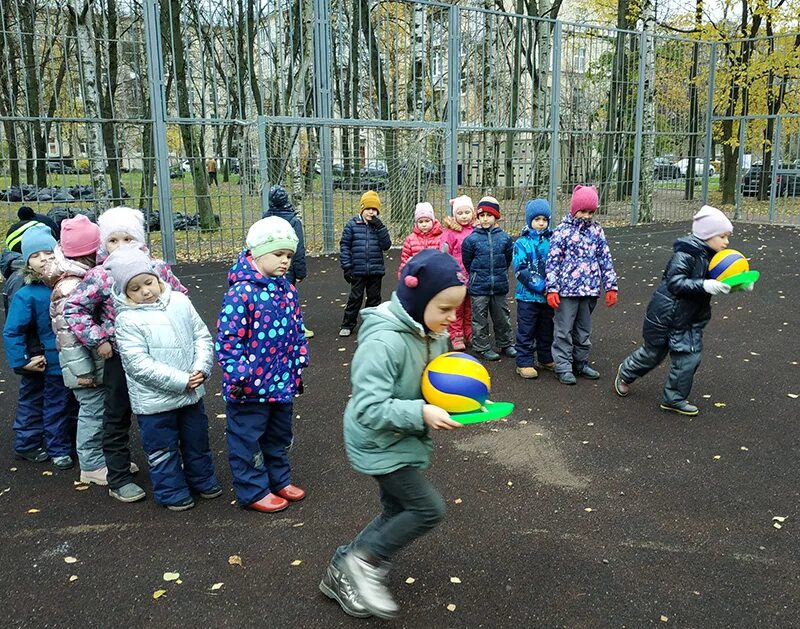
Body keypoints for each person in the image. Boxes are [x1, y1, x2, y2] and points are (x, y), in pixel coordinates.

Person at [321, 249, 465, 620]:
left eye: (456, 309)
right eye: (445, 309)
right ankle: (363, 561)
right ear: (419, 302)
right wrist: (421, 412)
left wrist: (461, 397)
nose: (452, 319)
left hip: (400, 435)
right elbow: (370, 407)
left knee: (396, 508)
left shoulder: (430, 330)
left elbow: (434, 380)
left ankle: (341, 568)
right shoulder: (384, 341)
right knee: (426, 508)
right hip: (377, 439)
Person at [63, 207, 187, 503]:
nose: (120, 246)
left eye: (128, 239)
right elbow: (74, 308)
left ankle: (170, 463)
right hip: (120, 355)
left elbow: (181, 298)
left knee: (166, 409)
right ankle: (118, 476)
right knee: (116, 414)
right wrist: (99, 339)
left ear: (141, 241)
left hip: (158, 353)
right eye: (113, 240)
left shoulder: (157, 269)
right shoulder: (101, 275)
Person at [107, 247, 221, 510]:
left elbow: (201, 336)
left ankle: (202, 479)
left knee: (197, 440)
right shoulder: (127, 320)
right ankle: (171, 491)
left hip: (191, 393)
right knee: (162, 449)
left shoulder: (180, 302)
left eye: (148, 282)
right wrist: (182, 380)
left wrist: (201, 368)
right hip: (155, 403)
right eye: (135, 288)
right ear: (125, 293)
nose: (145, 291)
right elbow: (138, 365)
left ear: (157, 278)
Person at [614, 205, 745, 416]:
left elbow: (718, 278)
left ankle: (673, 398)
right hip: (665, 316)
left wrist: (738, 282)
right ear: (707, 235)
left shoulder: (715, 256)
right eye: (722, 236)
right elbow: (676, 283)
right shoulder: (686, 254)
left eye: (727, 236)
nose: (726, 242)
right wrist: (706, 285)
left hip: (690, 319)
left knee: (689, 358)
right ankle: (626, 372)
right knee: (653, 354)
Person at [216, 216, 309, 513]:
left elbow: (297, 327)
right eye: (278, 255)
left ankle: (278, 479)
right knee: (247, 439)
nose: (284, 262)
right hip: (249, 387)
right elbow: (228, 340)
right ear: (257, 253)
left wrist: (299, 357)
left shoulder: (286, 290)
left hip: (281, 380)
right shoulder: (241, 292)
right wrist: (241, 375)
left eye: (289, 256)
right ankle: (253, 489)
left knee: (278, 435)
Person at [3, 226, 74, 468]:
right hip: (50, 362)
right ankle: (55, 448)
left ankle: (70, 442)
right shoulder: (28, 294)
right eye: (35, 256)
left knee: (73, 404)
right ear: (27, 262)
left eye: (48, 252)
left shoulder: (70, 282)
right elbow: (13, 330)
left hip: (74, 359)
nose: (43, 259)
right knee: (51, 405)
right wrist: (22, 360)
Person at [46, 219, 109, 485]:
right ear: (89, 252)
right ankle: (92, 464)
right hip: (85, 368)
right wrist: (83, 372)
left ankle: (103, 459)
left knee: (102, 411)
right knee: (93, 413)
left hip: (93, 363)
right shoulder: (70, 286)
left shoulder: (81, 277)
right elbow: (67, 335)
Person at [545, 185, 618, 385]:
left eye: (590, 212)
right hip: (567, 291)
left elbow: (605, 259)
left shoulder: (597, 231)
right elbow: (552, 262)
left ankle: (581, 362)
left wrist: (611, 286)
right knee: (564, 329)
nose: (586, 215)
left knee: (583, 330)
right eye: (583, 211)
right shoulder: (562, 232)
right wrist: (552, 288)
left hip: (589, 289)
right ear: (574, 209)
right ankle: (563, 366)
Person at [461, 196, 516, 362]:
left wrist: (499, 274)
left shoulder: (504, 239)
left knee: (502, 317)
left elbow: (507, 259)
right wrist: (477, 275)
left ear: (496, 217)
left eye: (489, 215)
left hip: (498, 284)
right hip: (479, 285)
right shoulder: (471, 240)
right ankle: (482, 347)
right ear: (477, 217)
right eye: (482, 215)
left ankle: (506, 343)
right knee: (479, 318)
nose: (485, 219)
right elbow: (467, 261)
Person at [338, 190, 392, 337]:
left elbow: (386, 245)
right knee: (355, 298)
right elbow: (344, 246)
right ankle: (347, 324)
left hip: (375, 270)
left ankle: (371, 324)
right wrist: (347, 266)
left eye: (374, 209)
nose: (371, 212)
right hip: (358, 270)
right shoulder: (352, 225)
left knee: (374, 299)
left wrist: (380, 227)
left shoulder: (379, 227)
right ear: (362, 209)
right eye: (368, 209)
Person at [263, 184, 313, 338]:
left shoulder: (266, 218)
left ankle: (271, 327)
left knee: (271, 296)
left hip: (269, 265)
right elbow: (298, 249)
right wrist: (301, 272)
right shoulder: (293, 221)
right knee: (289, 297)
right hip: (287, 267)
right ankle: (296, 327)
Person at [513, 199, 555, 378]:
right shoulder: (521, 243)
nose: (541, 223)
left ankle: (545, 358)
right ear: (529, 220)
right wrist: (542, 286)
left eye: (544, 219)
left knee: (547, 328)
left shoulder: (552, 241)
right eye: (537, 219)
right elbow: (520, 270)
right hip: (528, 297)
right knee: (526, 328)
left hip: (547, 296)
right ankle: (524, 361)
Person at [440, 194, 475, 350]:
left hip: (474, 275)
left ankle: (469, 332)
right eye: (459, 213)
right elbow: (444, 251)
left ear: (473, 213)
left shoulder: (476, 230)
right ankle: (456, 334)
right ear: (454, 215)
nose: (464, 216)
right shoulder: (451, 232)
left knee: (471, 308)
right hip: (458, 277)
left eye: (467, 212)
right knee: (457, 308)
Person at [397, 202, 443, 277]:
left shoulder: (440, 237)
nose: (424, 224)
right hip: (416, 275)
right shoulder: (410, 239)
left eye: (427, 221)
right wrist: (403, 275)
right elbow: (405, 259)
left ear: (433, 221)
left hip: (435, 275)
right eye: (420, 222)